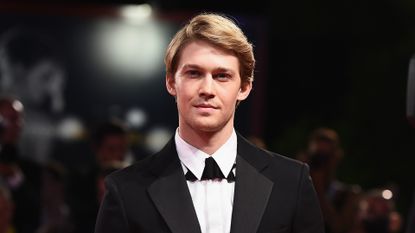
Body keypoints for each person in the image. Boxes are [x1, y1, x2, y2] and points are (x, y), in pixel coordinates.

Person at [95, 12, 324, 233]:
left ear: (244, 87)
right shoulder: (125, 191)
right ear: (171, 82)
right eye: (194, 73)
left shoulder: (291, 182)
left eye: (222, 76)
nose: (207, 89)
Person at [298, 127, 361, 233]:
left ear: (336, 158)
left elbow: (339, 228)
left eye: (325, 157)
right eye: (317, 158)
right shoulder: (296, 190)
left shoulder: (348, 195)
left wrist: (318, 190)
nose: (321, 164)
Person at [0, 96, 43, 233]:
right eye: (12, 119)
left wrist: (13, 176)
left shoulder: (29, 169)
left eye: (20, 119)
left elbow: (35, 212)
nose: (18, 124)